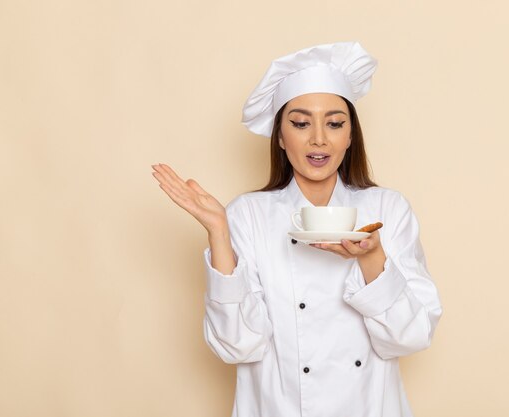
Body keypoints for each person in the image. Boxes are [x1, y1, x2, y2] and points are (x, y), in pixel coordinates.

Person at [152, 42, 442, 417]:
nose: (318, 138)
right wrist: (219, 234)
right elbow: (237, 345)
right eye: (301, 123)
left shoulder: (387, 209)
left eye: (335, 123)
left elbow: (412, 336)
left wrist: (372, 258)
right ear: (280, 136)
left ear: (351, 136)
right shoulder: (248, 215)